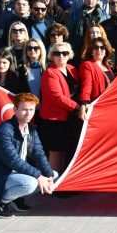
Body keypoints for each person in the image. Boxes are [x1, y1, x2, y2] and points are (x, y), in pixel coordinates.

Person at [0, 93, 57, 218]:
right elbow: (12, 160)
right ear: (15, 110)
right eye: (24, 110)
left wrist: (48, 175)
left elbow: (39, 154)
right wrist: (38, 175)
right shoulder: (4, 130)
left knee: (54, 176)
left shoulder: (31, 129)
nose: (28, 113)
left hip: (17, 173)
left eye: (31, 110)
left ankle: (15, 199)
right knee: (30, 183)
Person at [39, 42, 83, 173]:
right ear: (52, 56)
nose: (61, 56)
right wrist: (78, 106)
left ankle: (62, 182)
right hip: (54, 119)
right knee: (56, 152)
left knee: (66, 150)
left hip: (69, 118)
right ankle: (53, 184)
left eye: (65, 53)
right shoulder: (50, 73)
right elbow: (57, 97)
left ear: (70, 55)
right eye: (57, 53)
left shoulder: (72, 69)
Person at [79, 36, 115, 104]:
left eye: (102, 47)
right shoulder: (87, 65)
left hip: (110, 103)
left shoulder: (107, 66)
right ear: (91, 51)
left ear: (106, 51)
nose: (99, 50)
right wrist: (84, 103)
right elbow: (87, 85)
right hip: (97, 104)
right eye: (95, 47)